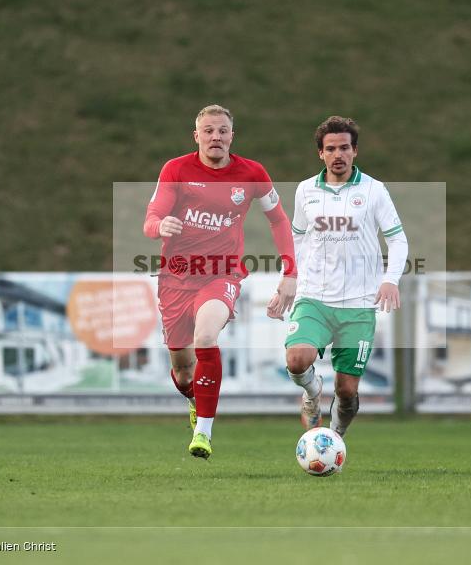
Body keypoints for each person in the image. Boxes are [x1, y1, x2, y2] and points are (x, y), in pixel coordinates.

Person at [143, 104, 297, 459]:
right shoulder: (176, 169)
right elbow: (151, 217)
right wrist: (159, 227)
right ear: (196, 136)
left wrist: (291, 272)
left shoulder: (252, 173)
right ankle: (195, 400)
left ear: (232, 136)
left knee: (206, 337)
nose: (216, 137)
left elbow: (279, 220)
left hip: (222, 273)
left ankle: (204, 432)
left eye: (223, 131)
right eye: (209, 131)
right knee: (183, 374)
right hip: (176, 278)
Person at [284, 116, 408, 437]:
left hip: (358, 302)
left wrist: (390, 279)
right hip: (314, 296)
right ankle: (312, 393)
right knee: (297, 360)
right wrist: (291, 279)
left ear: (355, 151)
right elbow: (296, 237)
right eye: (330, 149)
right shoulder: (305, 190)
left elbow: (397, 239)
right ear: (320, 154)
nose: (337, 154)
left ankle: (334, 439)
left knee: (347, 390)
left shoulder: (374, 191)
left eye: (344, 147)